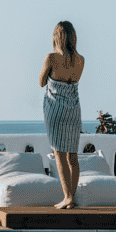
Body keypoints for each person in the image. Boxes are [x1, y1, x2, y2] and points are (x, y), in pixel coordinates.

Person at [39, 21, 85, 209]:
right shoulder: (80, 60)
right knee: (72, 156)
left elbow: (42, 82)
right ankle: (71, 197)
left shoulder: (51, 58)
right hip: (74, 109)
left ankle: (67, 197)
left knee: (59, 154)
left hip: (55, 110)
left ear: (56, 37)